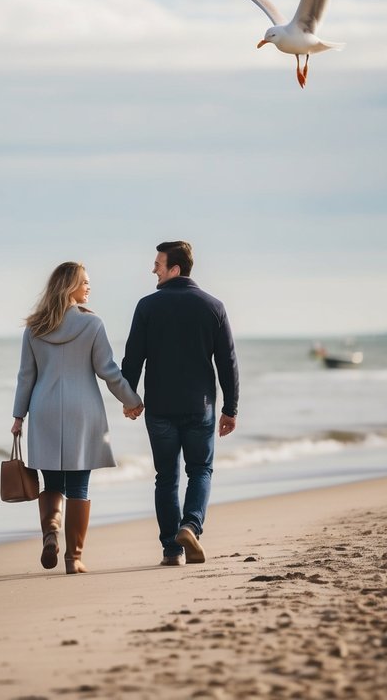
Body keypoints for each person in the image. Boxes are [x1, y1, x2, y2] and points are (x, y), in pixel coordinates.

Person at [12, 261, 143, 574]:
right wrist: (132, 400)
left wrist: (19, 416)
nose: (89, 287)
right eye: (84, 282)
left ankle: (50, 533)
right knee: (79, 488)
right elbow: (108, 371)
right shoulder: (92, 324)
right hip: (82, 413)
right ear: (69, 286)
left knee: (52, 482)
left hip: (43, 410)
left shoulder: (35, 326)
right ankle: (74, 558)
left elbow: (25, 377)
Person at [122, 241, 239, 566]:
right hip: (199, 407)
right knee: (200, 470)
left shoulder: (147, 306)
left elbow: (133, 359)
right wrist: (231, 408)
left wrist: (129, 398)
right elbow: (227, 362)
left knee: (166, 477)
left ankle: (171, 551)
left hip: (160, 408)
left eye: (158, 263)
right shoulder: (212, 306)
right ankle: (190, 525)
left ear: (174, 268)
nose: (153, 269)